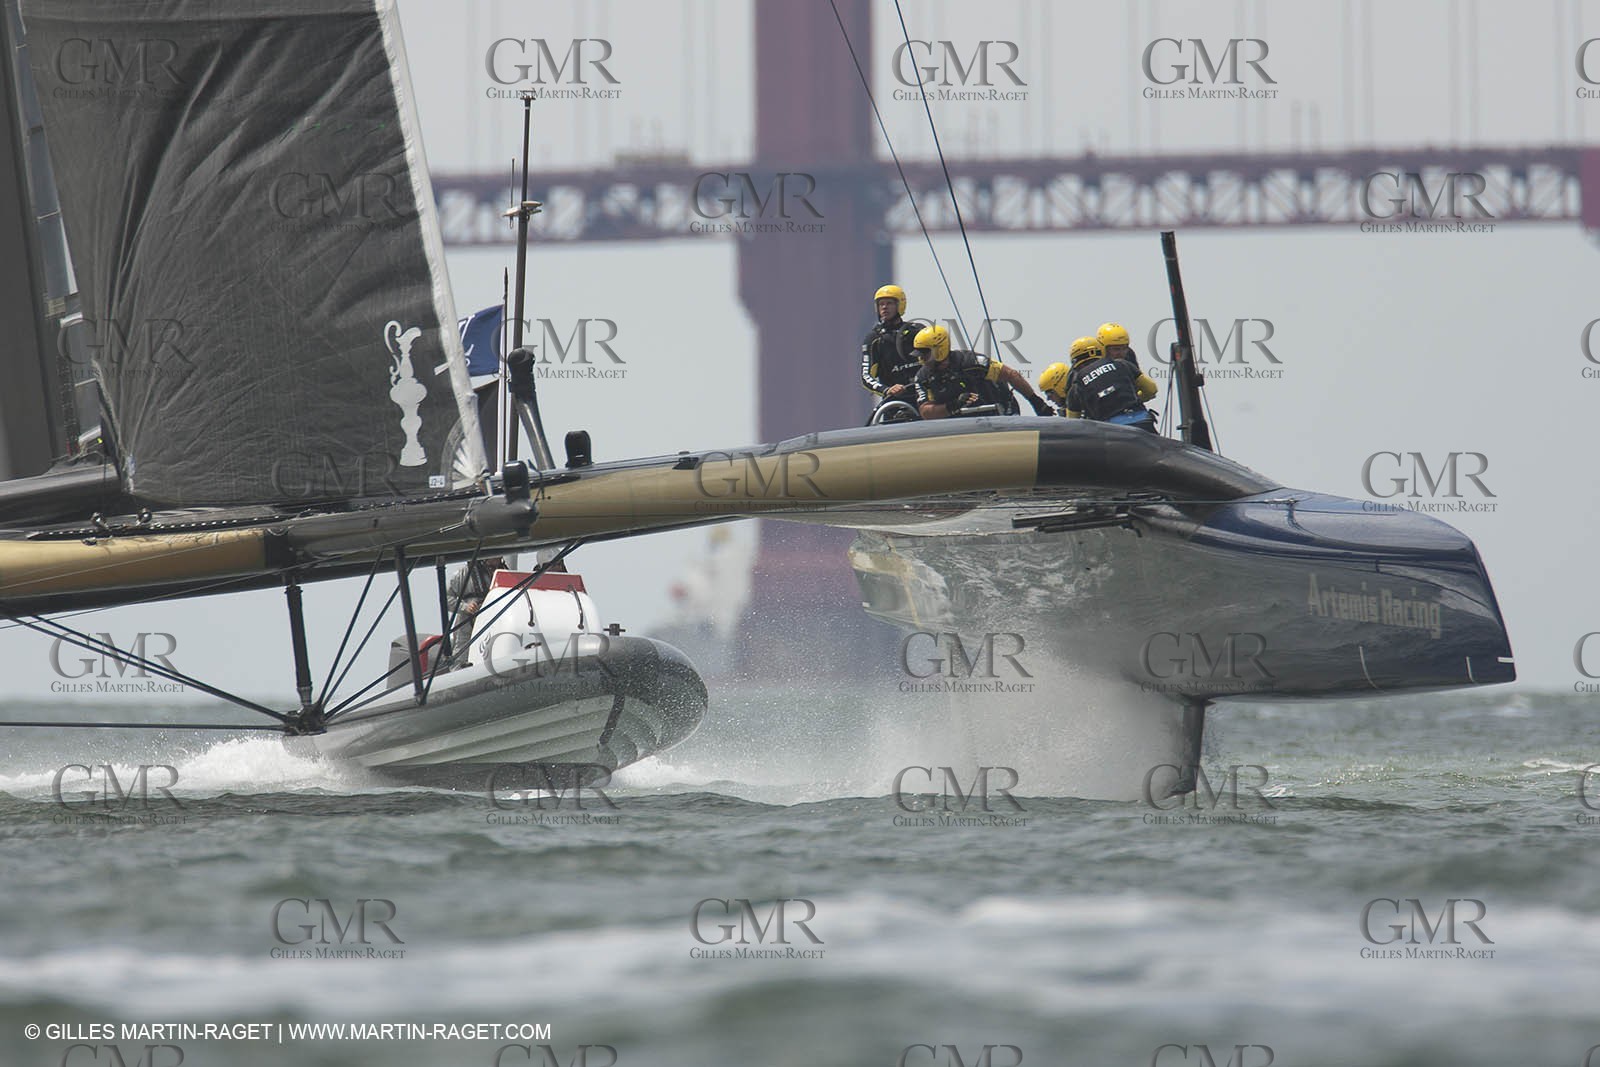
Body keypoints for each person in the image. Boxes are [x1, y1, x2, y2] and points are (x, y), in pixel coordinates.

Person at [911, 324, 1053, 419]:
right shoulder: (923, 377)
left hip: (997, 415)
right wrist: (953, 405)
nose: (922, 359)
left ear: (939, 349)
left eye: (925, 354)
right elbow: (925, 411)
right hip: (960, 426)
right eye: (919, 356)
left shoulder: (971, 362)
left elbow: (1011, 375)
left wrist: (1036, 402)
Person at [1059, 336, 1161, 432]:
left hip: (1112, 433)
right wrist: (1135, 399)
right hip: (1143, 423)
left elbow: (1073, 425)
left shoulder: (1076, 388)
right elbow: (1151, 389)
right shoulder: (1122, 364)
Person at [860, 284, 928, 413]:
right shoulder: (874, 339)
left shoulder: (918, 331)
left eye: (889, 303)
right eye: (881, 304)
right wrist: (887, 390)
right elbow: (866, 377)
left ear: (900, 305)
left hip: (926, 400)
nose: (884, 307)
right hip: (895, 405)